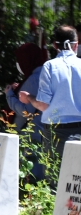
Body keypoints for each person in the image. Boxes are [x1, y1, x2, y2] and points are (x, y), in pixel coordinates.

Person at [19, 25, 81, 159]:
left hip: (56, 134)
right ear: (76, 44)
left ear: (54, 45)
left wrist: (28, 97)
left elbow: (42, 105)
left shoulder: (49, 66)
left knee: (54, 178)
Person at [4, 42, 46, 180]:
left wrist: (9, 95)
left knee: (31, 173)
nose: (19, 63)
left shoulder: (34, 78)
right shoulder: (44, 73)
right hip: (42, 129)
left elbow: (25, 111)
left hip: (30, 132)